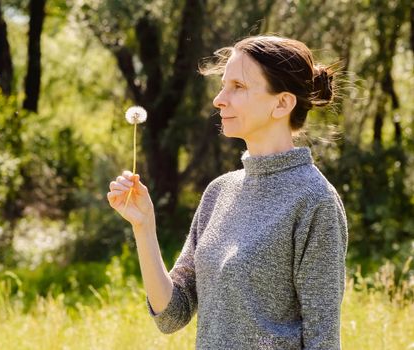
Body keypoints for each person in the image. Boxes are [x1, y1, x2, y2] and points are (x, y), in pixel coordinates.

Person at [107, 34, 348, 349]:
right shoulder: (219, 192)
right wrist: (144, 226)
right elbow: (172, 315)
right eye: (223, 85)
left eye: (238, 87)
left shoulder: (315, 201)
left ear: (282, 103)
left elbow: (323, 340)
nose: (219, 99)